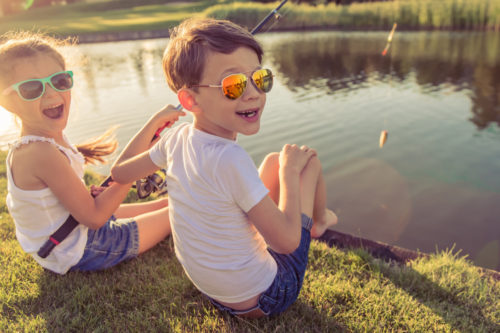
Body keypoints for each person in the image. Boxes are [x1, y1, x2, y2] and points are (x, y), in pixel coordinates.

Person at [111, 18, 338, 317]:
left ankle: (315, 218)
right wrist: (288, 173)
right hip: (264, 298)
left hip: (212, 289)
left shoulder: (175, 139)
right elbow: (285, 243)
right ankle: (319, 221)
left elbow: (119, 173)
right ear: (190, 100)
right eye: (234, 85)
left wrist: (153, 124)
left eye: (259, 78)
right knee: (306, 162)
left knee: (270, 160)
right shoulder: (230, 159)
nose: (254, 93)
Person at [0, 31, 184, 274]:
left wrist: (153, 124)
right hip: (80, 249)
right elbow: (96, 217)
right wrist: (137, 168)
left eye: (59, 81)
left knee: (173, 202)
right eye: (32, 88)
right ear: (7, 102)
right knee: (183, 210)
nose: (52, 93)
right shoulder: (39, 152)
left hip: (70, 233)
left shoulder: (46, 139)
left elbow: (92, 203)